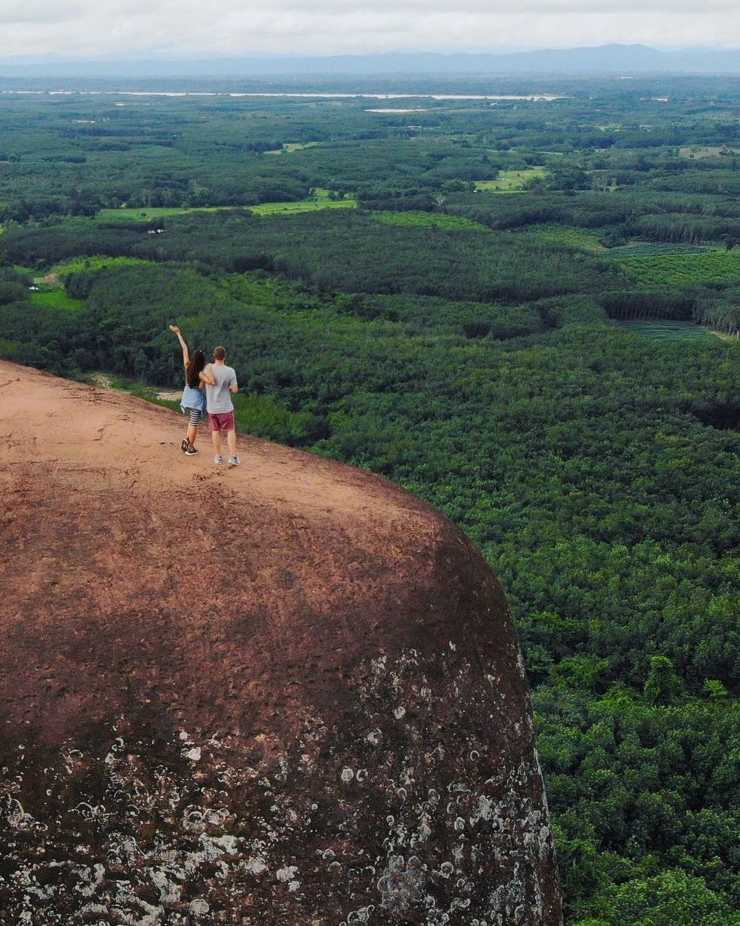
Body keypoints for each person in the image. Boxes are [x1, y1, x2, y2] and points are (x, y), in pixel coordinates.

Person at [168, 324, 214, 455]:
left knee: (190, 422)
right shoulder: (201, 373)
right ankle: (190, 448)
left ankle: (186, 441)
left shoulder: (188, 366)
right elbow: (208, 383)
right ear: (202, 361)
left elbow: (184, 348)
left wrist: (178, 333)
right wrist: (210, 369)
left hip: (187, 396)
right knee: (194, 424)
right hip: (196, 400)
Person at [203, 345, 240, 466]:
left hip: (212, 408)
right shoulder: (230, 371)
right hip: (226, 408)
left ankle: (218, 457)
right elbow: (235, 390)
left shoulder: (207, 369)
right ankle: (233, 457)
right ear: (225, 356)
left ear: (214, 356)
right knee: (230, 430)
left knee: (215, 431)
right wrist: (229, 387)